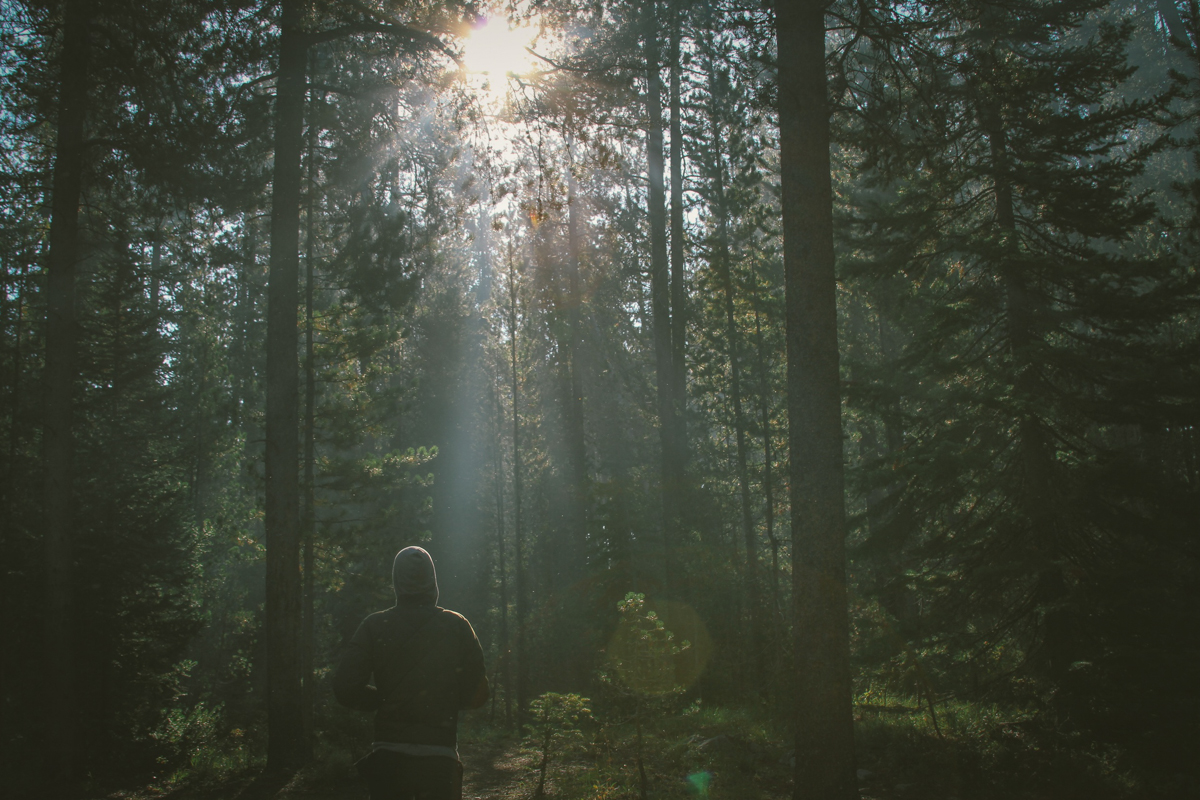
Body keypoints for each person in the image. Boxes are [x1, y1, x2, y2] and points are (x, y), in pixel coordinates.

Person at [334, 545, 488, 800]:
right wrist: (442, 702)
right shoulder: (457, 625)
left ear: (396, 582)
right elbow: (480, 694)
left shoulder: (374, 626)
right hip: (440, 758)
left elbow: (345, 688)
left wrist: (382, 700)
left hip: (388, 758)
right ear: (433, 581)